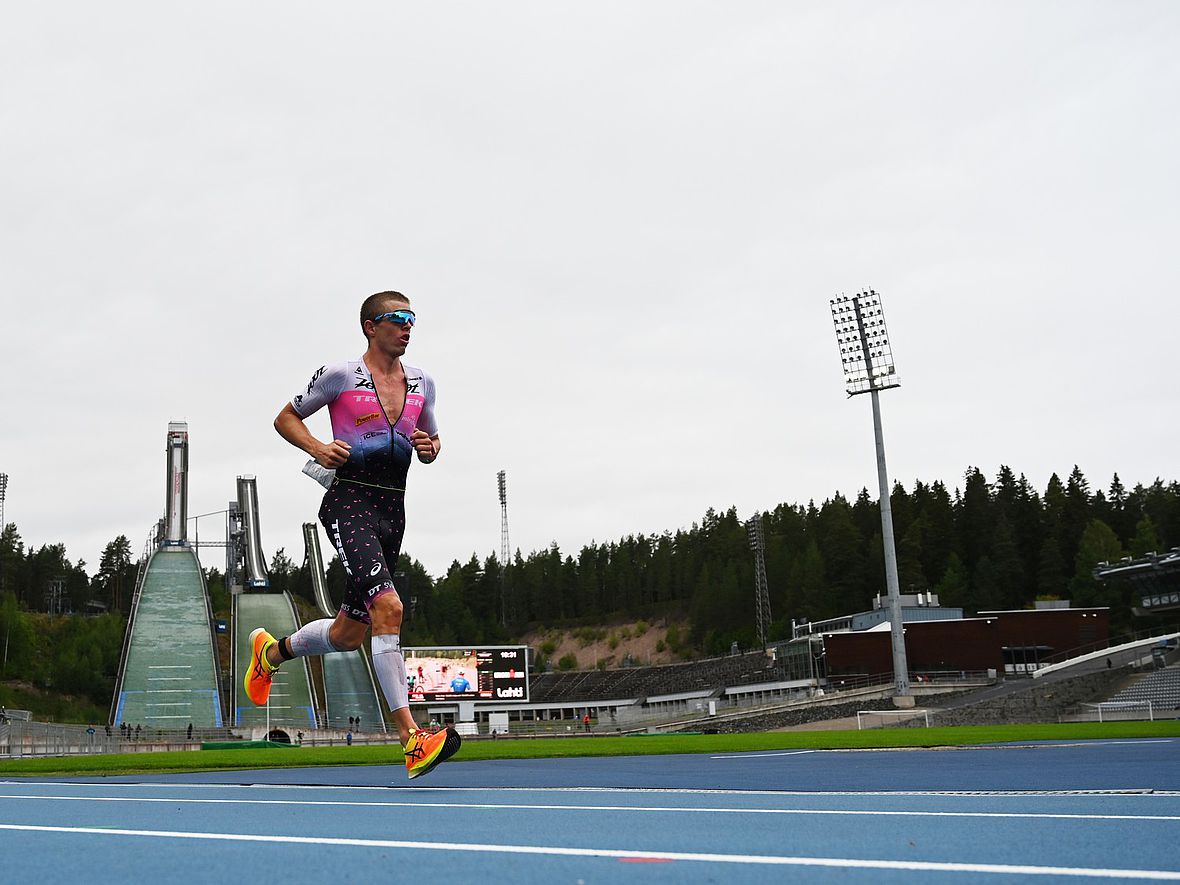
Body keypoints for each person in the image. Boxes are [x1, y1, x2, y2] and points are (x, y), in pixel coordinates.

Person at [243, 290, 460, 780]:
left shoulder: (424, 381)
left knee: (347, 634)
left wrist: (430, 447)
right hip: (349, 502)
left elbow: (433, 438)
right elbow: (285, 417)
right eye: (397, 319)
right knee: (390, 608)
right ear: (370, 326)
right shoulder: (340, 376)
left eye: (412, 320)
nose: (407, 328)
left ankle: (270, 653)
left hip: (392, 510)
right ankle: (411, 739)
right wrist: (318, 447)